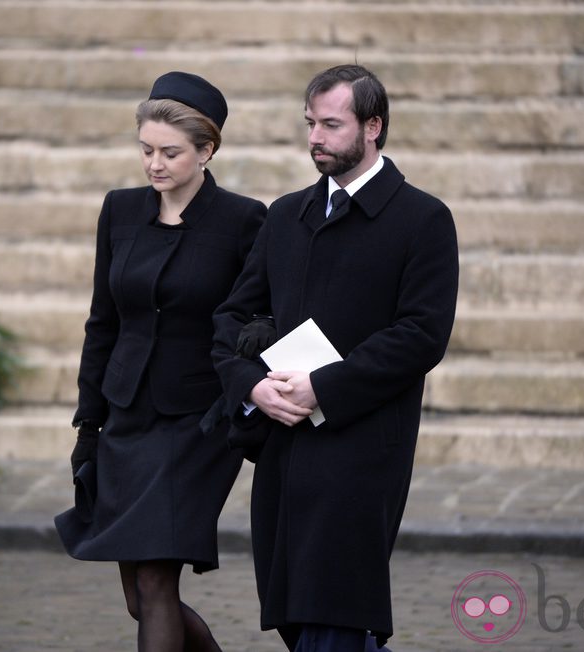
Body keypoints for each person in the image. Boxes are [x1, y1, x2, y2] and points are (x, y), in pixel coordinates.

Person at [211, 64, 459, 651]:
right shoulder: (285, 214)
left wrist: (325, 386)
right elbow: (231, 318)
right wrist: (251, 387)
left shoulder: (423, 219)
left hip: (363, 444)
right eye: (309, 124)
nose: (315, 138)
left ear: (373, 127)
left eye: (331, 124)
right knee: (298, 617)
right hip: (282, 441)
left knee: (336, 614)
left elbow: (423, 334)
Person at [54, 71, 266, 651]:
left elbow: (260, 313)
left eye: (170, 152)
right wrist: (88, 425)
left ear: (207, 150)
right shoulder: (120, 211)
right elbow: (103, 322)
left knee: (154, 580)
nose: (154, 164)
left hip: (198, 422)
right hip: (126, 416)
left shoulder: (244, 220)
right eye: (146, 150)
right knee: (140, 598)